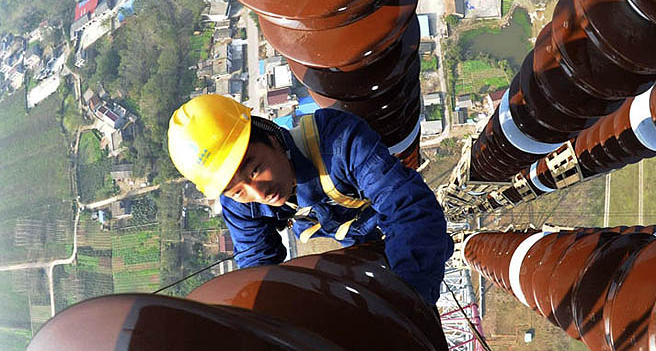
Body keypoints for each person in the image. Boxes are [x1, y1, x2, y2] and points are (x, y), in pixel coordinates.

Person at [167, 94, 452, 304]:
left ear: (272, 138)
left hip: (395, 232)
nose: (259, 193)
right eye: (237, 190)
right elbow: (258, 268)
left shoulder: (339, 141)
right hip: (357, 245)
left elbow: (407, 208)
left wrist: (410, 300)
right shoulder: (240, 201)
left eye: (255, 169)